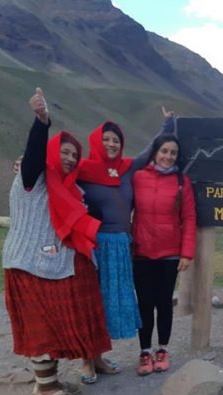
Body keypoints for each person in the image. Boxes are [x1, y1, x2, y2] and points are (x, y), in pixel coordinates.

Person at [2, 88, 111, 395]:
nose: (70, 157)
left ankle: (47, 384)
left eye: (74, 155)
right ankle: (46, 387)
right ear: (52, 151)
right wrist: (42, 120)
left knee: (53, 327)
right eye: (64, 151)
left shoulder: (72, 189)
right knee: (40, 329)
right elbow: (35, 153)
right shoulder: (30, 175)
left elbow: (95, 212)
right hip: (27, 263)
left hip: (53, 262)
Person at [76, 108, 176, 381]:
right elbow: (55, 172)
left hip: (122, 246)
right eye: (106, 139)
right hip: (95, 245)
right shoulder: (82, 169)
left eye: (116, 141)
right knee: (91, 301)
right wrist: (24, 163)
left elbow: (151, 151)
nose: (111, 144)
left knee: (109, 303)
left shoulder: (127, 168)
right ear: (97, 140)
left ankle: (98, 358)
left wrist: (168, 124)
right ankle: (87, 360)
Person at [131, 134, 196, 376]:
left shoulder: (182, 182)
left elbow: (189, 218)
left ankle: (162, 350)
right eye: (164, 151)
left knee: (164, 303)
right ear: (155, 152)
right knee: (144, 304)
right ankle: (145, 352)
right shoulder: (138, 178)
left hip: (170, 253)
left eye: (173, 153)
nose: (168, 156)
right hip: (142, 252)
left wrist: (187, 253)